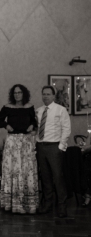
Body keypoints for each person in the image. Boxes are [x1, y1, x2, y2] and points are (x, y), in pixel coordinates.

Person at [0, 84, 38, 214]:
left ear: (24, 94)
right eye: (15, 93)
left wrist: (32, 126)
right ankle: (12, 203)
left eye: (19, 92)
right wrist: (6, 125)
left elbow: (35, 122)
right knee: (12, 170)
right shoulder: (7, 107)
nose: (17, 95)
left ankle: (27, 203)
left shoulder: (30, 107)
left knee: (25, 170)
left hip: (26, 141)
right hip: (12, 142)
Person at [36, 85, 71, 218]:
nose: (45, 96)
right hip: (41, 147)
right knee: (45, 177)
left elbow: (66, 129)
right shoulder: (38, 111)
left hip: (54, 147)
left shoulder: (61, 110)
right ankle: (47, 204)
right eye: (43, 94)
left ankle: (62, 206)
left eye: (48, 94)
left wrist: (61, 147)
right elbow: (36, 129)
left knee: (58, 177)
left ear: (53, 96)